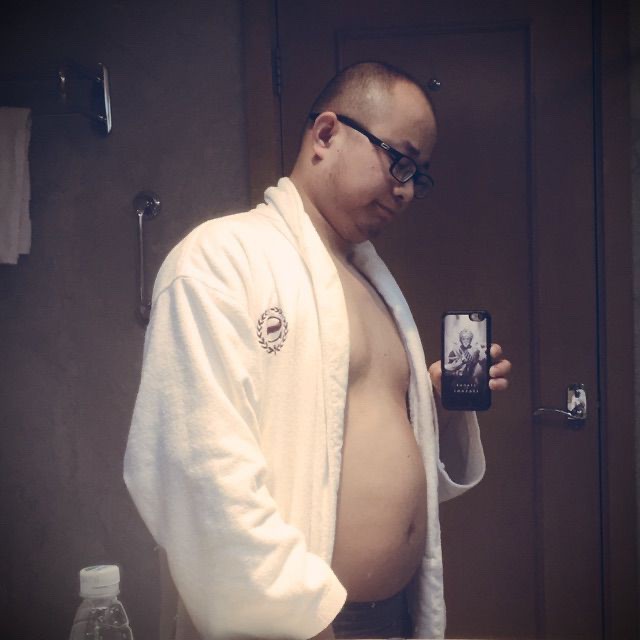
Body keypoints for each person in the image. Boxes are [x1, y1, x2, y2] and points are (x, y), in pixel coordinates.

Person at [123, 61, 511, 640]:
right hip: (306, 623)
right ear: (326, 134)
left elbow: (344, 439)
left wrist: (433, 405)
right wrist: (305, 621)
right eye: (400, 161)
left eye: (419, 177)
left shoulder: (369, 283)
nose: (407, 190)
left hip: (395, 617)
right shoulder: (221, 259)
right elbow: (197, 469)